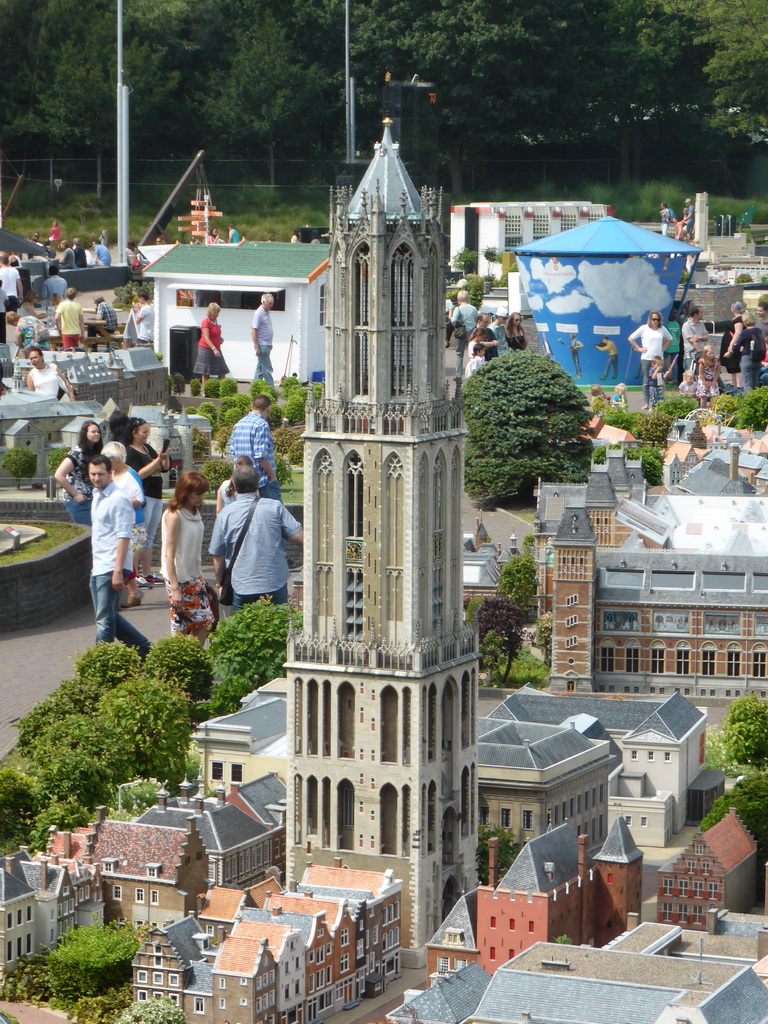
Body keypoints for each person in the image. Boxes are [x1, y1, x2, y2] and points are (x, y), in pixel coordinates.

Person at [210, 465, 303, 610]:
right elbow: (299, 537)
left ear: (234, 486)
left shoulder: (225, 514)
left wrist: (219, 584)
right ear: (258, 483)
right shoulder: (275, 507)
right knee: (277, 628)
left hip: (242, 584)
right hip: (274, 581)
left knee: (244, 629)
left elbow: (218, 555)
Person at [88, 454, 151, 658]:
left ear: (111, 473)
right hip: (99, 565)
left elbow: (124, 537)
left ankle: (101, 664)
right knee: (108, 615)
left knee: (104, 620)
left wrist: (118, 572)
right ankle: (143, 648)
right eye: (93, 474)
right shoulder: (97, 496)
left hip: (112, 566)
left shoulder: (119, 499)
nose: (97, 478)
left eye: (101, 474)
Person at [161, 471, 215, 646]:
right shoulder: (174, 515)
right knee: (181, 626)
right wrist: (175, 587)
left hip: (194, 576)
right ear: (185, 492)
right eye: (197, 494)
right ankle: (179, 663)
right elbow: (169, 553)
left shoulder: (194, 513)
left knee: (204, 621)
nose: (201, 498)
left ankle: (194, 659)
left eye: (203, 493)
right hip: (179, 579)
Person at [123, 417, 170, 585]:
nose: (147, 435)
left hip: (156, 495)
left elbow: (164, 468)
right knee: (139, 538)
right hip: (145, 495)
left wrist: (164, 457)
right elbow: (138, 474)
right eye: (144, 432)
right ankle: (134, 576)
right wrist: (158, 460)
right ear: (134, 433)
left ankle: (147, 573)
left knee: (149, 537)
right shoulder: (129, 452)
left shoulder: (147, 448)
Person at [102, 441, 146, 609]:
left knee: (126, 561)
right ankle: (132, 593)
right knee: (124, 561)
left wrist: (119, 502)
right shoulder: (112, 474)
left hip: (132, 523)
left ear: (117, 458)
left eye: (108, 458)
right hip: (117, 524)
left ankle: (132, 593)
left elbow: (140, 499)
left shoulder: (130, 474)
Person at [229, 395, 281, 500]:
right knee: (275, 514)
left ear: (251, 406)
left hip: (241, 483)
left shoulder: (239, 424)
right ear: (268, 408)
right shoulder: (262, 425)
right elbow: (261, 456)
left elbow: (233, 451)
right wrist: (272, 477)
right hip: (261, 483)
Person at [54, 419, 103, 524]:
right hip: (78, 501)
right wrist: (76, 494)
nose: (97, 434)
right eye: (93, 432)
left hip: (91, 499)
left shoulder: (94, 453)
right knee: (87, 533)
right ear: (85, 434)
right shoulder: (76, 454)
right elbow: (59, 474)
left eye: (98, 432)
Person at [629, 311, 672, 409]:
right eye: (654, 319)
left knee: (659, 380)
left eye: (657, 319)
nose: (656, 321)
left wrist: (664, 347)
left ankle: (658, 401)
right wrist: (639, 348)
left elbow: (670, 338)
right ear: (650, 319)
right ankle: (646, 402)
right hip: (646, 357)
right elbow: (631, 338)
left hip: (658, 359)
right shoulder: (644, 328)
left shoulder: (662, 329)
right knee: (646, 381)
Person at [726, 311, 764, 392]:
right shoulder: (758, 331)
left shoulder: (745, 332)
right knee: (756, 384)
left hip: (747, 359)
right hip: (758, 359)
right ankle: (756, 402)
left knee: (747, 384)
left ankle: (748, 402)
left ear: (744, 321)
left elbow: (737, 345)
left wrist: (730, 352)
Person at [193, 302, 230, 386]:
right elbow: (206, 338)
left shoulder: (215, 321)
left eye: (218, 312)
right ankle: (206, 392)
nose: (217, 315)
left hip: (216, 348)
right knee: (206, 372)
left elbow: (214, 333)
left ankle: (221, 390)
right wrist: (214, 349)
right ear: (210, 312)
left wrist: (220, 339)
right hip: (206, 349)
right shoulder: (205, 322)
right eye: (216, 313)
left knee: (222, 370)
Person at [450, 290, 478, 376]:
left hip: (461, 332)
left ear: (459, 298)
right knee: (473, 353)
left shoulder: (458, 309)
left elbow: (453, 320)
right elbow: (476, 319)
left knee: (459, 354)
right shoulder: (473, 308)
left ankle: (458, 375)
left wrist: (457, 325)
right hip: (472, 332)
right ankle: (473, 373)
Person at [251, 292, 275, 385]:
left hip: (266, 344)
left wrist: (270, 343)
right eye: (269, 303)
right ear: (263, 302)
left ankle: (255, 386)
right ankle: (271, 388)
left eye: (272, 303)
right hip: (262, 345)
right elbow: (253, 330)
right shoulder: (258, 313)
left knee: (260, 368)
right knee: (267, 368)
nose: (271, 306)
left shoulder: (266, 313)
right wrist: (256, 347)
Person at [720, 301, 744, 387]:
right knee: (733, 368)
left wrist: (731, 345)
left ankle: (739, 387)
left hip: (735, 347)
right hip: (731, 345)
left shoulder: (739, 320)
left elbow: (738, 333)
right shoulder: (735, 319)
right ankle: (735, 387)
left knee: (737, 368)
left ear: (733, 308)